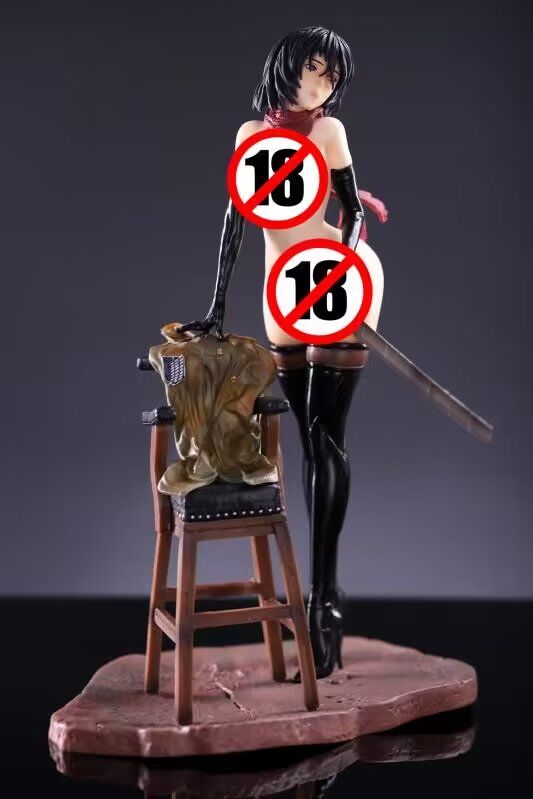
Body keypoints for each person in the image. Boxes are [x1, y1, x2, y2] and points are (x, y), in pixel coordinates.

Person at [180, 26, 388, 678]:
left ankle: (323, 603)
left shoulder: (329, 133)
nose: (322, 86)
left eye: (333, 77)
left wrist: (342, 266)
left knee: (326, 436)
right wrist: (216, 309)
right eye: (315, 71)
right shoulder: (250, 136)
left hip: (333, 279)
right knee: (308, 440)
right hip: (281, 292)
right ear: (286, 68)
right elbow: (234, 225)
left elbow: (353, 212)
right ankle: (323, 598)